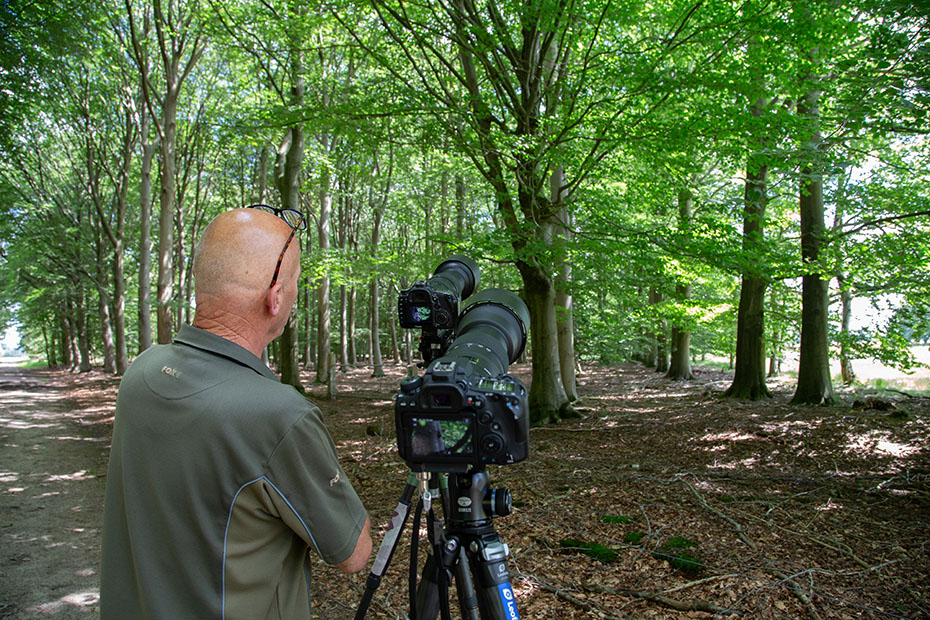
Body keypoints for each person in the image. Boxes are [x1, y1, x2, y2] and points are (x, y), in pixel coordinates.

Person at [100, 206, 371, 619]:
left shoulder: (142, 371)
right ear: (275, 298)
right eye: (295, 283)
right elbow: (353, 553)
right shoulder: (279, 415)